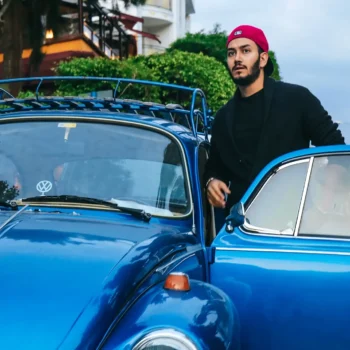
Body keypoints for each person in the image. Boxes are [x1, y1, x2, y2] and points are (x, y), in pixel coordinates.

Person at [203, 24, 345, 223]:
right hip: (241, 228)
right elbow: (214, 166)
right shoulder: (223, 117)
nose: (237, 58)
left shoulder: (297, 99)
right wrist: (212, 181)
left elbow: (336, 149)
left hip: (292, 222)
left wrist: (325, 201)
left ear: (262, 58)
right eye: (231, 53)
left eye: (245, 51)